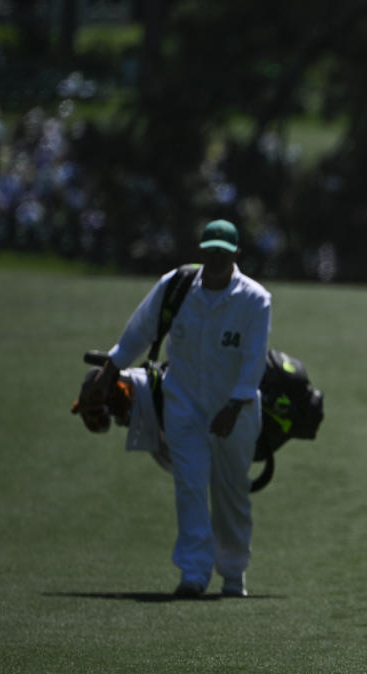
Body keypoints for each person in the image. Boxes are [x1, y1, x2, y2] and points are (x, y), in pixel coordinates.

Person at [80, 219, 271, 598]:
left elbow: (253, 362)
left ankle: (233, 575)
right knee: (190, 486)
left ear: (235, 254)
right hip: (183, 404)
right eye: (210, 250)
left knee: (231, 492)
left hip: (237, 410)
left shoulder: (255, 300)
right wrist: (108, 374)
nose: (215, 258)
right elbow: (139, 331)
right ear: (202, 250)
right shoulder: (177, 286)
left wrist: (234, 405)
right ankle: (194, 574)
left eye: (223, 251)